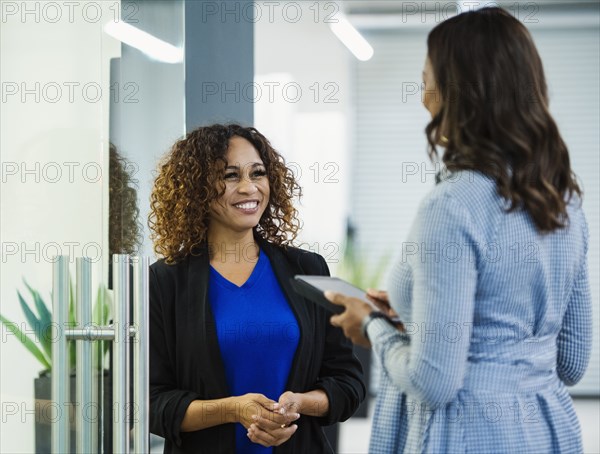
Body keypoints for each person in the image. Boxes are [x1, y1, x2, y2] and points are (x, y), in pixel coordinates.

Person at [326, 7, 592, 454]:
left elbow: (434, 382)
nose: (422, 96)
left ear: (460, 92)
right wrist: (415, 315)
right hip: (551, 432)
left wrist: (372, 324)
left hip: (468, 434)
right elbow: (570, 362)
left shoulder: (452, 206)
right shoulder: (564, 200)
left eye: (427, 78)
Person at [147, 123, 365, 454]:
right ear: (197, 188)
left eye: (257, 173)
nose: (249, 188)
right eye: (231, 175)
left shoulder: (307, 269)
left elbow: (348, 382)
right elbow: (151, 403)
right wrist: (232, 410)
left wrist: (298, 404)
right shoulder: (165, 281)